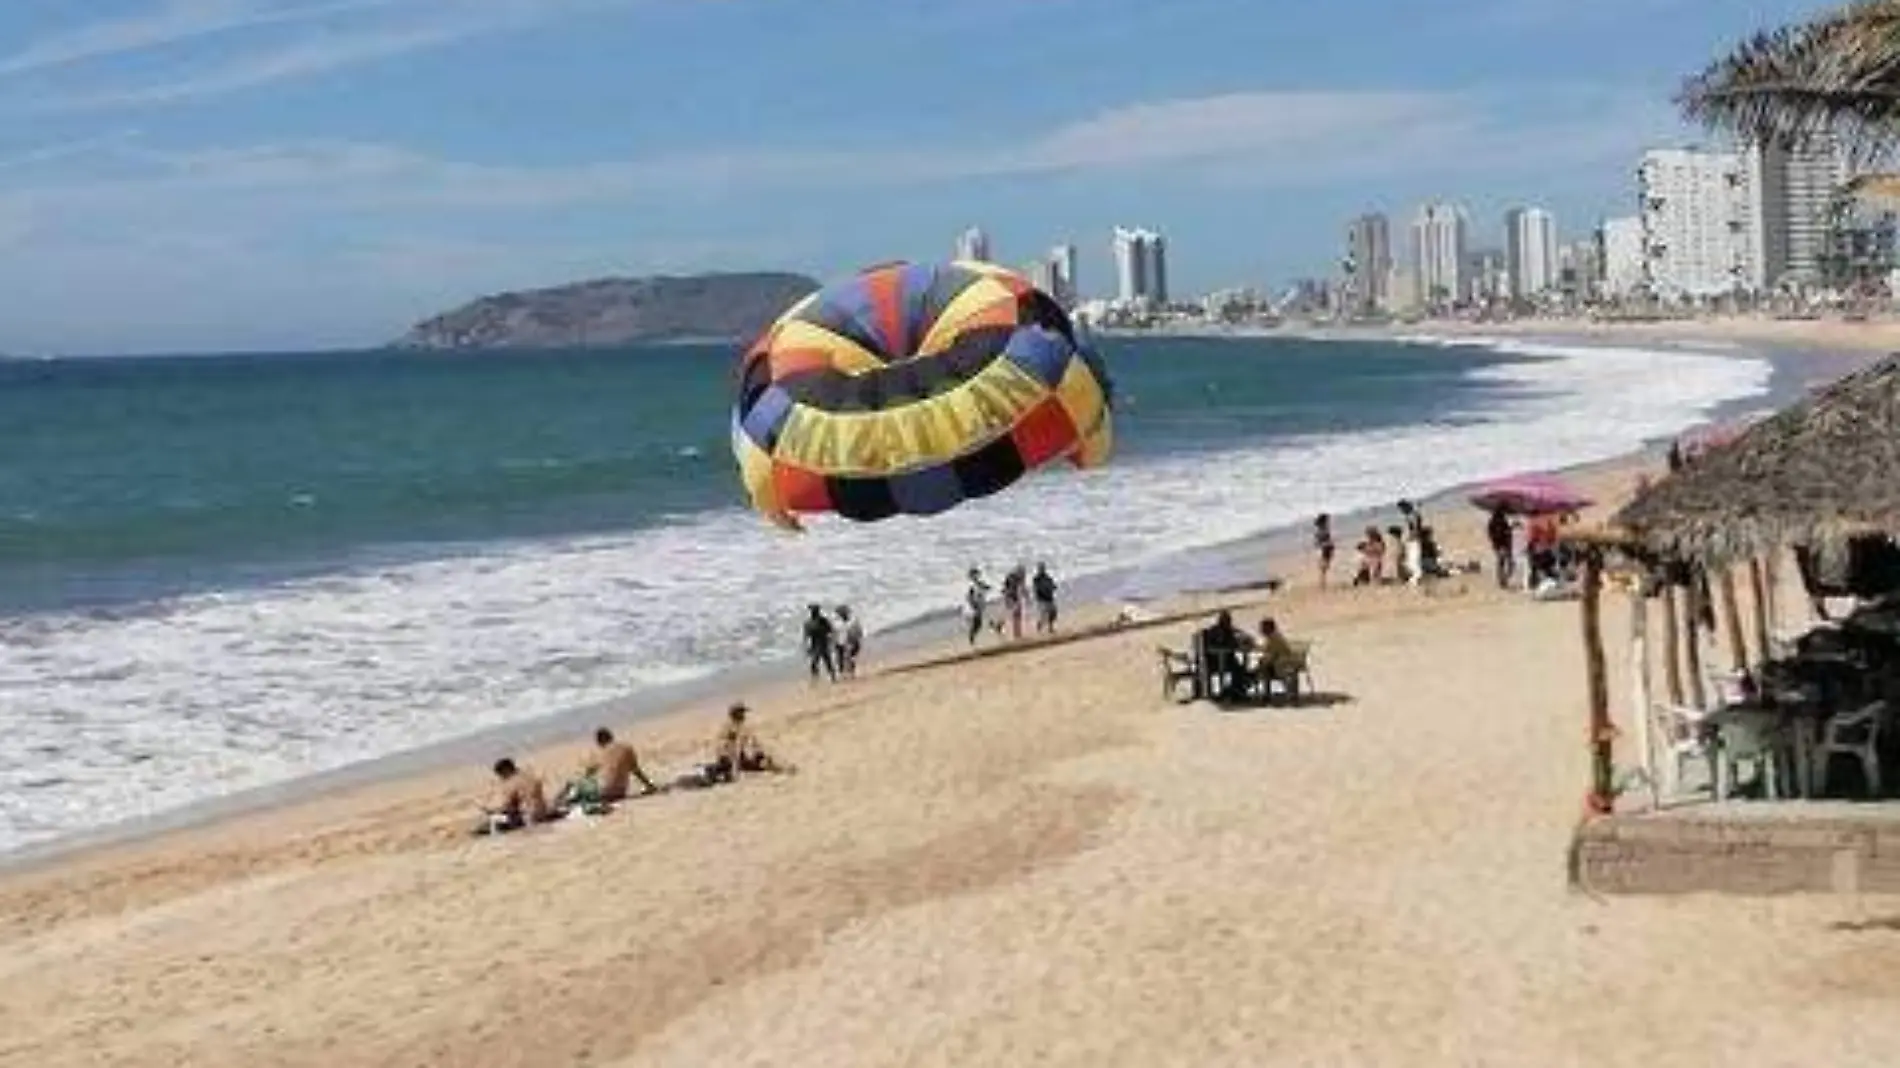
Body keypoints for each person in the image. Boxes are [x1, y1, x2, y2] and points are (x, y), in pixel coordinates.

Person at [568, 728, 657, 806]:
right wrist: (650, 786)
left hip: (603, 794)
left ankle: (568, 801)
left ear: (599, 742)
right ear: (611, 737)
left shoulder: (600, 752)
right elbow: (637, 771)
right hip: (620, 793)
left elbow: (588, 775)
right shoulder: (627, 747)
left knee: (573, 785)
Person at [707, 703, 792, 783]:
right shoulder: (732, 728)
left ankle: (780, 767)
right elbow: (733, 748)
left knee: (761, 758)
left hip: (733, 758)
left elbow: (749, 744)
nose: (744, 716)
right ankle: (782, 768)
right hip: (730, 759)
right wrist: (735, 768)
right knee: (761, 761)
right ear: (737, 714)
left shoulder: (736, 726)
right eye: (742, 713)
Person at [479, 758, 555, 833]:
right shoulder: (529, 775)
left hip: (528, 817)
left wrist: (493, 811)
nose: (501, 778)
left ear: (506, 770)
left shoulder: (511, 782)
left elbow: (508, 804)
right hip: (543, 811)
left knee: (493, 820)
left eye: (500, 774)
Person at [1197, 610, 1255, 701]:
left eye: (1228, 620)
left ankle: (1236, 691)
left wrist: (1243, 639)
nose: (1228, 623)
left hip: (1228, 659)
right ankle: (1231, 691)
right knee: (1236, 668)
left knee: (1241, 669)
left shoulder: (1230, 631)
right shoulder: (1214, 631)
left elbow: (1239, 638)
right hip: (1214, 661)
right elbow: (1210, 648)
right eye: (1226, 620)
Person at [1256, 617, 1303, 702]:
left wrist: (1260, 663)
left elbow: (1271, 656)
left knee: (1263, 669)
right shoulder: (1275, 637)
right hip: (1286, 665)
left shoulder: (1273, 639)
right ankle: (1266, 694)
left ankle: (1266, 695)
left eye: (1262, 628)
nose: (1260, 630)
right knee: (1263, 666)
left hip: (1282, 666)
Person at [802, 603, 836, 681]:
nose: (814, 612)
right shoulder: (809, 623)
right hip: (815, 645)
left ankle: (832, 677)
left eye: (815, 610)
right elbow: (806, 636)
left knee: (827, 662)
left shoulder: (823, 621)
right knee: (815, 663)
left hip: (823, 644)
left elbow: (831, 631)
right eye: (813, 611)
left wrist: (831, 641)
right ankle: (816, 678)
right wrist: (807, 646)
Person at [1487, 506, 1515, 589]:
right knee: (1505, 562)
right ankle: (1503, 580)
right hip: (1502, 544)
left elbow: (1493, 534)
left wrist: (1510, 528)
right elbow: (1501, 533)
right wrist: (1509, 530)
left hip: (1500, 544)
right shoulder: (1497, 522)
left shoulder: (1496, 521)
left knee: (1503, 562)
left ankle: (1503, 580)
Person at [835, 605, 864, 678]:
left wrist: (855, 640)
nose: (840, 615)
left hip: (851, 642)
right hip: (840, 642)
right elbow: (834, 632)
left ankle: (851, 673)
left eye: (842, 613)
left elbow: (859, 631)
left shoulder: (853, 621)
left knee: (850, 658)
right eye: (840, 613)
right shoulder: (837, 622)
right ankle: (842, 673)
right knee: (840, 658)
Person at [964, 567, 990, 645]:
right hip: (975, 607)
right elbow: (969, 597)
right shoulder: (971, 586)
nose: (977, 576)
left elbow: (985, 587)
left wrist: (986, 587)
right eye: (975, 575)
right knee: (977, 624)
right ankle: (971, 640)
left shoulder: (978, 583)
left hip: (980, 605)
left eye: (978, 575)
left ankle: (972, 640)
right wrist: (974, 605)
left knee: (979, 624)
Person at [1001, 564, 1028, 639]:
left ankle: (1017, 634)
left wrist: (1025, 595)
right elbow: (1007, 590)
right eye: (1022, 573)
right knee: (1014, 615)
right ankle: (1014, 634)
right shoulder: (1011, 578)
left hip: (1014, 597)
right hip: (1010, 597)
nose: (1023, 575)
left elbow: (1022, 587)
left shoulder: (1018, 578)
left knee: (1017, 615)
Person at [1031, 563, 1059, 633]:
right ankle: (1039, 628)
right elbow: (1036, 589)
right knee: (1043, 616)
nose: (1042, 569)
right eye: (1041, 568)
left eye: (1043, 568)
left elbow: (1053, 585)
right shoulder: (1036, 579)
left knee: (1053, 613)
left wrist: (1052, 587)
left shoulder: (1047, 577)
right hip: (1042, 600)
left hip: (1049, 598)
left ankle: (1050, 628)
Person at [1313, 514, 1336, 589]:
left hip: (1326, 551)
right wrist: (1328, 544)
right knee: (1323, 570)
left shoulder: (1322, 531)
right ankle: (1322, 586)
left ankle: (1322, 585)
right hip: (1324, 551)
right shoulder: (1322, 532)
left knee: (1324, 570)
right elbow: (1318, 543)